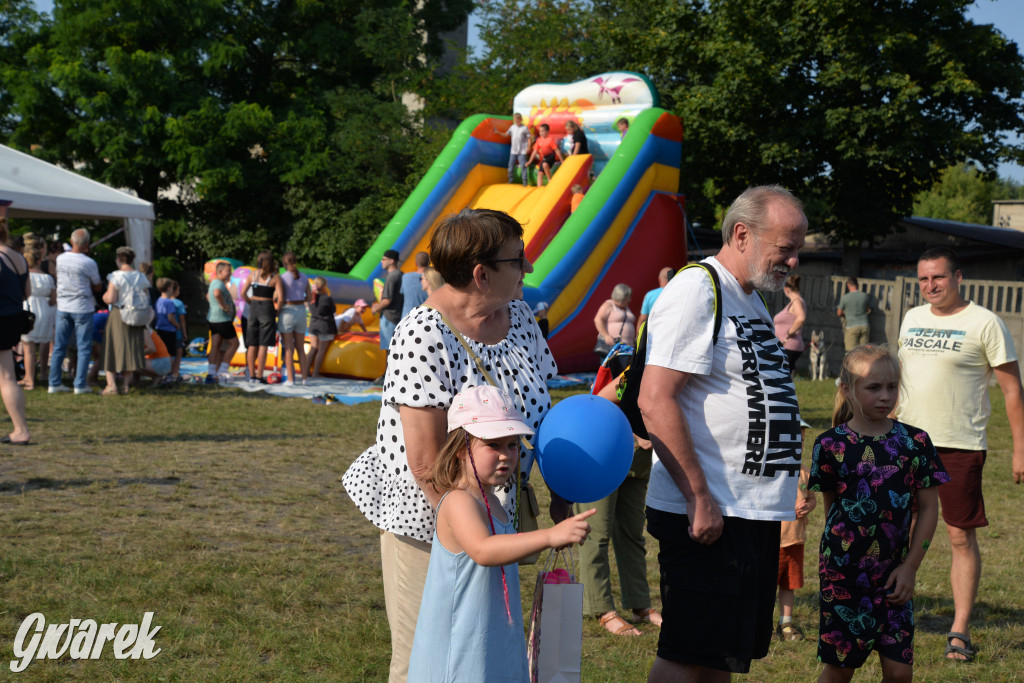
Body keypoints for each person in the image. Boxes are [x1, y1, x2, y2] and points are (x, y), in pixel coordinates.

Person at [342, 208, 560, 683]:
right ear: (481, 274)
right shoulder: (422, 333)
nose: (529, 269)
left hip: (492, 521)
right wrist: (471, 539)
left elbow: (543, 411)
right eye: (519, 260)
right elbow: (425, 462)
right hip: (432, 523)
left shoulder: (519, 316)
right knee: (426, 661)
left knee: (481, 657)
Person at [638, 185, 807, 681]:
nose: (794, 262)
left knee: (719, 657)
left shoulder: (748, 299)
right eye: (786, 248)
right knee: (686, 655)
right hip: (710, 507)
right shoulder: (698, 288)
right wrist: (698, 496)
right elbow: (655, 398)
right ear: (741, 234)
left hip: (746, 508)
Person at [407, 385, 595, 681]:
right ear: (460, 449)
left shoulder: (493, 500)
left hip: (490, 634)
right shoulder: (458, 501)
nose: (507, 455)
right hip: (458, 646)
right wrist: (549, 536)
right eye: (493, 444)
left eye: (512, 445)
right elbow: (483, 550)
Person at [895, 246, 1024, 663]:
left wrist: (1020, 448)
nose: (931, 286)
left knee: (957, 535)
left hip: (959, 445)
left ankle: (960, 630)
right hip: (905, 442)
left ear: (958, 277)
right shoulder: (912, 318)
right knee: (897, 530)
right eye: (924, 279)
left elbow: (1011, 390)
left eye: (939, 277)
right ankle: (891, 611)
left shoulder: (985, 322)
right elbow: (900, 381)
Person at [810, 344, 948, 682]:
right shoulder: (830, 445)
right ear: (847, 389)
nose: (884, 396)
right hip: (843, 574)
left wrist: (910, 567)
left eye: (891, 387)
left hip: (894, 575)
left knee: (900, 672)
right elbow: (833, 513)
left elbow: (930, 508)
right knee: (841, 668)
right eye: (873, 387)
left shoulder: (915, 442)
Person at [574, 426, 662, 636]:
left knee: (632, 534)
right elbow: (601, 399)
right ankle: (601, 608)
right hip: (601, 451)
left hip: (638, 457)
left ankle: (640, 604)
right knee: (596, 534)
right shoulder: (616, 389)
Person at [48, 228, 102, 394]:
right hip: (82, 307)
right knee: (84, 347)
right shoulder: (89, 263)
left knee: (59, 347)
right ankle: (79, 384)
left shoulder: (61, 259)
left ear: (71, 242)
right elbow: (98, 285)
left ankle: (54, 383)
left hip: (63, 305)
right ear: (86, 244)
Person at [101, 246, 150, 395]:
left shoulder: (116, 276)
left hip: (119, 314)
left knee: (112, 349)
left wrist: (103, 297)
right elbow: (146, 296)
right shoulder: (141, 277)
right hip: (136, 315)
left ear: (119, 259)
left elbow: (111, 298)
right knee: (131, 349)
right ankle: (126, 385)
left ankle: (111, 385)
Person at [776, 458, 815, 641]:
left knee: (789, 584)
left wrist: (808, 506)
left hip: (796, 540)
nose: (799, 442)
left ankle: (785, 623)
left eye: (802, 439)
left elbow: (812, 499)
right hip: (776, 540)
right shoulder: (775, 469)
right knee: (766, 585)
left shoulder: (805, 471)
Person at [0, 218, 31, 444]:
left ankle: (20, 431)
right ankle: (20, 429)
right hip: (13, 319)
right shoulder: (18, 257)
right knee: (7, 376)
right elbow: (26, 293)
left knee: (6, 378)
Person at [20, 249, 56, 391]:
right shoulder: (48, 278)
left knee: (28, 347)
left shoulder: (25, 276)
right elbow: (53, 300)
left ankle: (29, 379)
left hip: (29, 308)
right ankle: (43, 373)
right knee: (44, 342)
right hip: (45, 309)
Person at [241, 250, 279, 384]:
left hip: (254, 308)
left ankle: (251, 375)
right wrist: (277, 311)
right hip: (267, 308)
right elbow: (280, 297)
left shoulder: (253, 275)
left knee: (252, 344)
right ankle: (259, 376)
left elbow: (243, 293)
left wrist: (251, 302)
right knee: (263, 345)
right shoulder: (275, 277)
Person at [277, 252, 311, 385]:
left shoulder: (283, 277)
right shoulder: (304, 277)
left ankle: (290, 379)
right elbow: (309, 297)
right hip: (301, 311)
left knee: (289, 348)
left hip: (287, 311)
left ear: (284, 264)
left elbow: (279, 297)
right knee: (301, 348)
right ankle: (305, 379)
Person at [371, 248, 403, 385]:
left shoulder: (391, 276)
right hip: (398, 315)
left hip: (389, 316)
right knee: (395, 348)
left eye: (383, 259)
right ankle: (391, 375)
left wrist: (375, 307)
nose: (381, 262)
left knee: (389, 349)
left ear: (391, 261)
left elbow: (387, 300)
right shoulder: (401, 274)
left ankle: (388, 376)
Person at [206, 261, 239, 385]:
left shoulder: (214, 282)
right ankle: (222, 370)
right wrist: (223, 306)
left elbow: (208, 296)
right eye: (228, 272)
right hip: (222, 320)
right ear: (219, 271)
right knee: (235, 343)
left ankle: (211, 373)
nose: (229, 275)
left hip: (213, 319)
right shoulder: (219, 284)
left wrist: (214, 305)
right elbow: (216, 293)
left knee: (215, 345)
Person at [774, 274, 807, 375]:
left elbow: (801, 318)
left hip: (789, 345)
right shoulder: (795, 302)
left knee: (781, 376)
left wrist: (788, 334)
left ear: (786, 289)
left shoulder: (797, 301)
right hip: (787, 345)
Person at [594, 283, 636, 359]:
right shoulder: (609, 305)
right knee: (610, 369)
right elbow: (598, 319)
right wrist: (606, 335)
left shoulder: (625, 308)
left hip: (627, 348)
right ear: (622, 296)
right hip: (612, 347)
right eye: (628, 297)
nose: (630, 300)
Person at [308, 276, 338, 378]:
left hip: (313, 325)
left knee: (313, 349)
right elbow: (333, 310)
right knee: (321, 350)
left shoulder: (311, 298)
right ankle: (316, 373)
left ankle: (305, 371)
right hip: (325, 326)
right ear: (323, 286)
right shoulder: (327, 298)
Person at [494, 111, 531, 186]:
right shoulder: (512, 127)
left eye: (518, 120)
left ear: (521, 120)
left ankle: (525, 182)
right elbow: (506, 135)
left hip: (522, 151)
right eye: (515, 120)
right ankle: (510, 180)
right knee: (510, 166)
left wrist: (529, 147)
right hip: (513, 150)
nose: (516, 121)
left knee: (523, 166)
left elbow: (529, 138)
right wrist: (498, 132)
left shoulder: (524, 128)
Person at [837, 277, 873, 351]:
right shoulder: (864, 296)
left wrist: (845, 315)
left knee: (850, 352)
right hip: (864, 325)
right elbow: (868, 309)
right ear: (857, 285)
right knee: (864, 351)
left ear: (848, 285)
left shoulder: (845, 298)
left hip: (851, 327)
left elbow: (839, 313)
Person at [400, 251, 430, 319]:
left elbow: (402, 294)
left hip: (407, 318)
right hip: (425, 318)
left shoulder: (405, 277)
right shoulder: (434, 278)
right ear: (429, 263)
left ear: (415, 263)